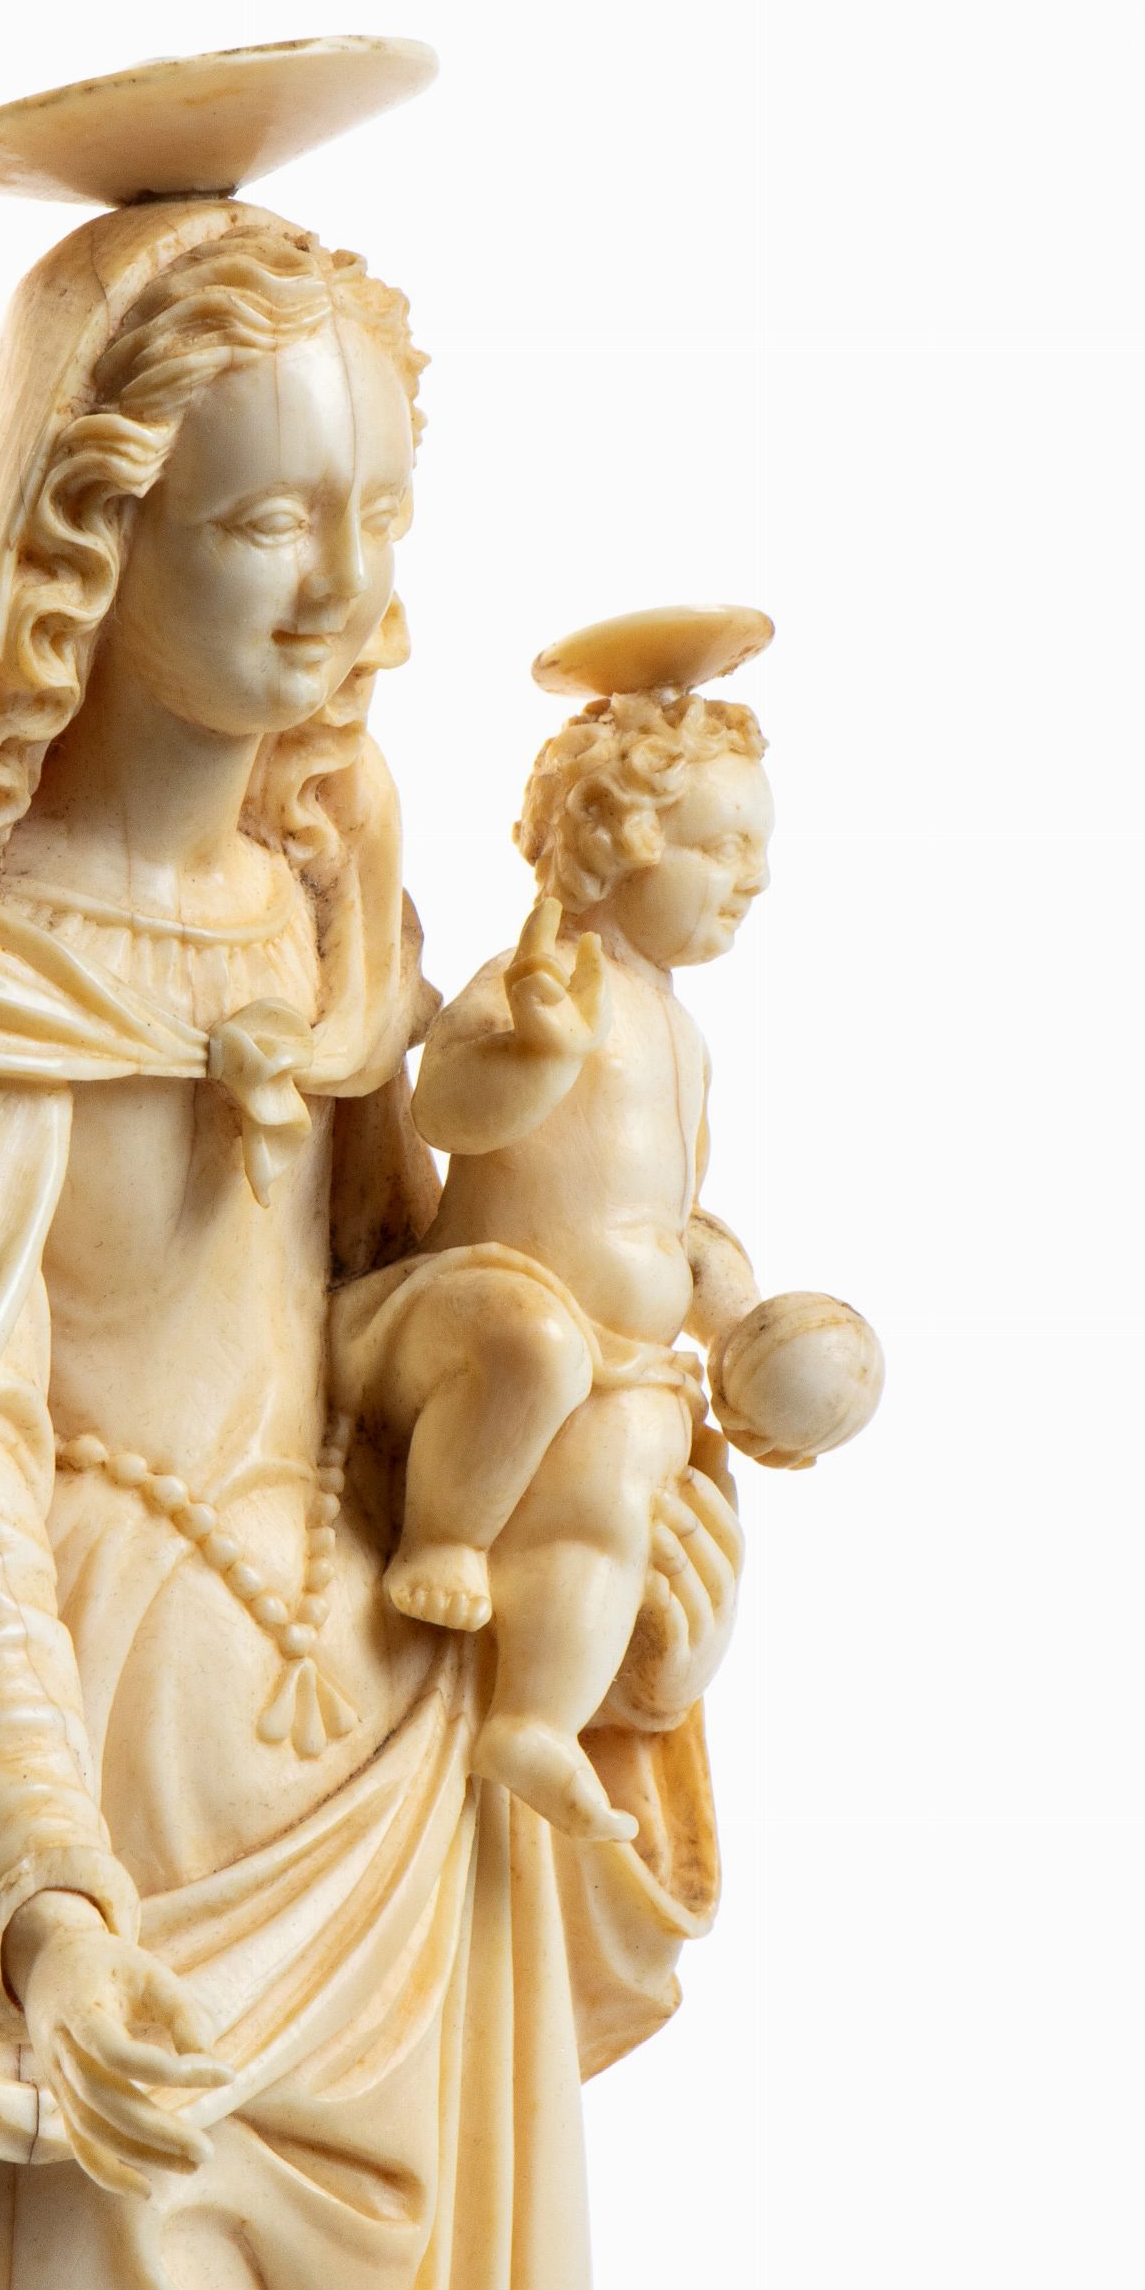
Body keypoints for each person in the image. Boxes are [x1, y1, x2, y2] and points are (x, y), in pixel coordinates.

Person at [0, 197, 742, 2290]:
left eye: (379, 512)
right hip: (119, 1793)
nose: (346, 588)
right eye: (268, 520)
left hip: (382, 1731)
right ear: (85, 541)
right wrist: (39, 1902)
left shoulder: (329, 889)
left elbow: (418, 1282)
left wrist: (620, 1468)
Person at [331, 684, 772, 1846]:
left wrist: (737, 1328)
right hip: (459, 1319)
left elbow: (674, 1220)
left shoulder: (684, 1037)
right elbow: (443, 1110)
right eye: (724, 847)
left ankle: (533, 1719)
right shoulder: (542, 977)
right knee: (535, 1345)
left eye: (758, 850)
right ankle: (440, 1535)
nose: (754, 877)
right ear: (618, 839)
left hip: (618, 1369)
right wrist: (531, 1054)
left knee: (609, 1508)